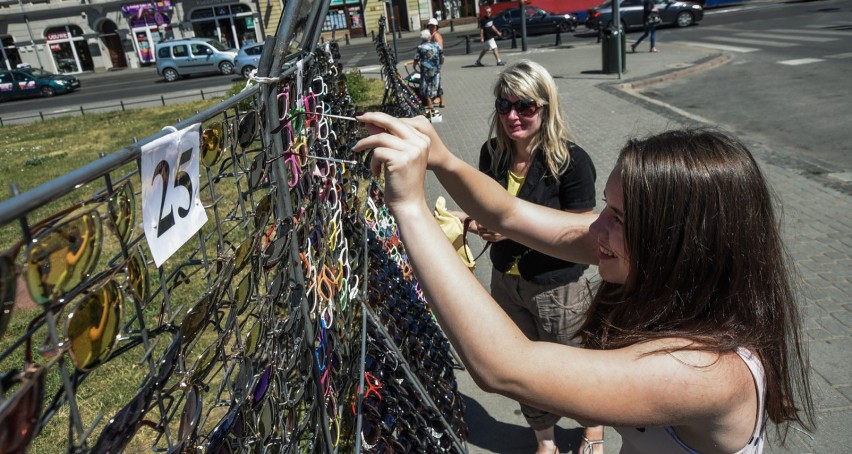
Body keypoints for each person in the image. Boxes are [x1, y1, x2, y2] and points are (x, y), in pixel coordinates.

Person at [352, 116, 815, 453]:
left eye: (616, 217)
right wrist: (443, 159)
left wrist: (409, 207)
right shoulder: (666, 276)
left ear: (678, 243)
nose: (594, 230)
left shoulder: (710, 370)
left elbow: (505, 367)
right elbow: (509, 215)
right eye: (604, 210)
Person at [450, 60, 603, 454]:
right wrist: (471, 221)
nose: (513, 116)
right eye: (504, 106)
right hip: (505, 281)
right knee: (521, 370)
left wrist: (511, 229)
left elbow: (580, 234)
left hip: (559, 286)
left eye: (525, 106)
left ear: (546, 107)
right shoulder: (493, 154)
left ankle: (593, 430)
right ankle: (546, 441)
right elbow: (490, 210)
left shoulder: (572, 161)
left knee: (575, 367)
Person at [413, 29, 443, 120]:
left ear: (421, 38)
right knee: (438, 84)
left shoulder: (420, 47)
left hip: (425, 70)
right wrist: (440, 64)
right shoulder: (436, 45)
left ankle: (429, 103)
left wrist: (414, 67)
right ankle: (442, 102)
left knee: (425, 85)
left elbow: (416, 59)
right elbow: (442, 56)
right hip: (436, 68)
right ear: (429, 37)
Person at [427, 17, 446, 108]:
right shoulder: (434, 34)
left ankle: (435, 100)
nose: (431, 27)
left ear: (436, 26)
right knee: (437, 80)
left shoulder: (435, 35)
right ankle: (440, 100)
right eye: (430, 26)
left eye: (433, 26)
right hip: (436, 60)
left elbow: (439, 48)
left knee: (433, 80)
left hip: (435, 61)